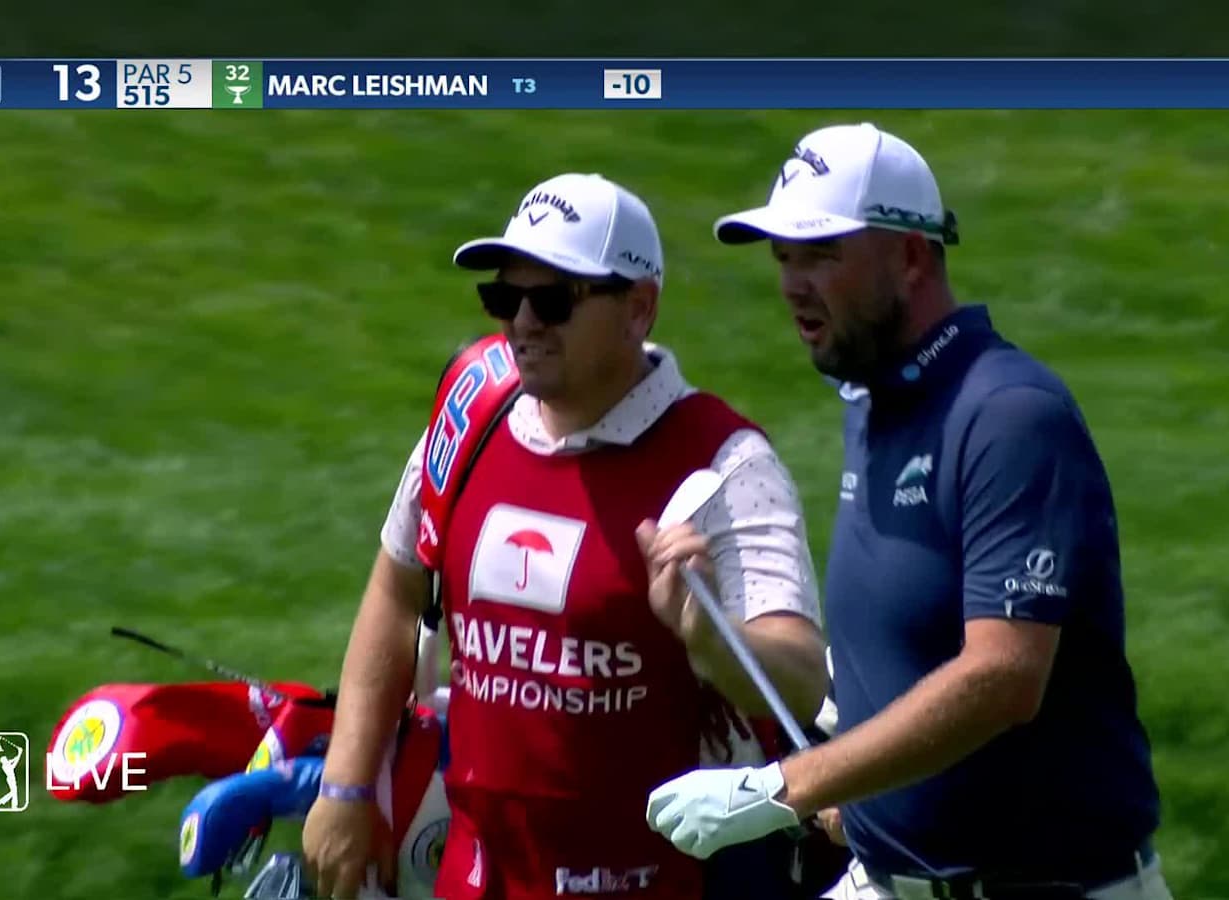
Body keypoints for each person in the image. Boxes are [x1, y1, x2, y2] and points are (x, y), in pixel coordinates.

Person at [641, 123, 1175, 900]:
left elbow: (1002, 677)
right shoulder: (878, 406)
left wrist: (776, 789)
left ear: (911, 255)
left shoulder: (1008, 415)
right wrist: (714, 636)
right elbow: (896, 669)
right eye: (782, 257)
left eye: (821, 254)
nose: (793, 282)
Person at [301, 171, 831, 899]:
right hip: (472, 878)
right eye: (504, 297)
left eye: (552, 300)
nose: (522, 322)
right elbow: (397, 589)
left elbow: (801, 686)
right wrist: (347, 789)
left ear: (638, 308)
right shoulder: (471, 415)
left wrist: (711, 635)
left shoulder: (723, 464)